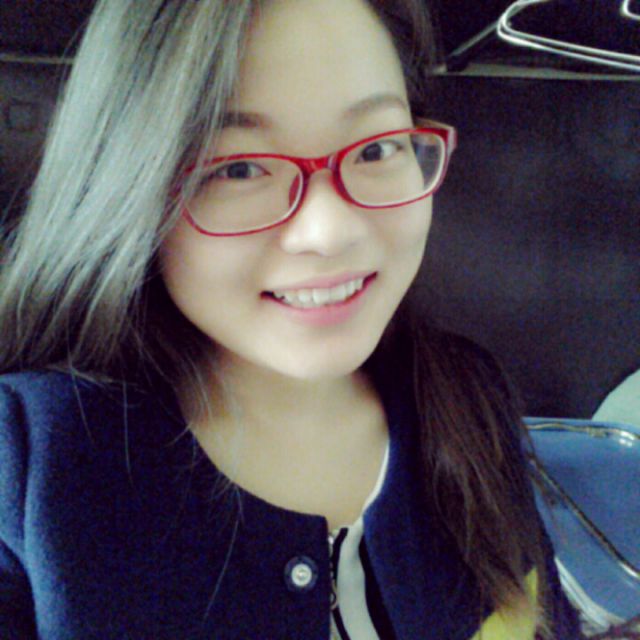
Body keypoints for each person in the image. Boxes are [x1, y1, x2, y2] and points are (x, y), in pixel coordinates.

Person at [0, 0, 583, 638]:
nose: (330, 232)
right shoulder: (28, 463)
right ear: (127, 186)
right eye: (237, 168)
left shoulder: (466, 394)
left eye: (377, 147)